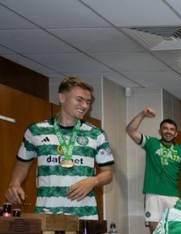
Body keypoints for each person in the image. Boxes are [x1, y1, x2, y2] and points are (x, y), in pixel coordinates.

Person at [6, 76, 113, 219]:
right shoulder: (35, 131)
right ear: (62, 97)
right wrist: (14, 184)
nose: (85, 106)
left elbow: (108, 173)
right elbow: (22, 164)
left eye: (88, 102)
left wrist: (94, 181)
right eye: (79, 100)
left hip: (84, 216)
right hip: (47, 215)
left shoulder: (96, 134)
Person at [125, 108, 181, 233]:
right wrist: (142, 114)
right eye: (165, 128)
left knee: (174, 232)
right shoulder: (151, 143)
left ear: (176, 134)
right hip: (153, 194)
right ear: (160, 131)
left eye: (172, 129)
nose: (168, 131)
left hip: (173, 196)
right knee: (155, 232)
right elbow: (130, 130)